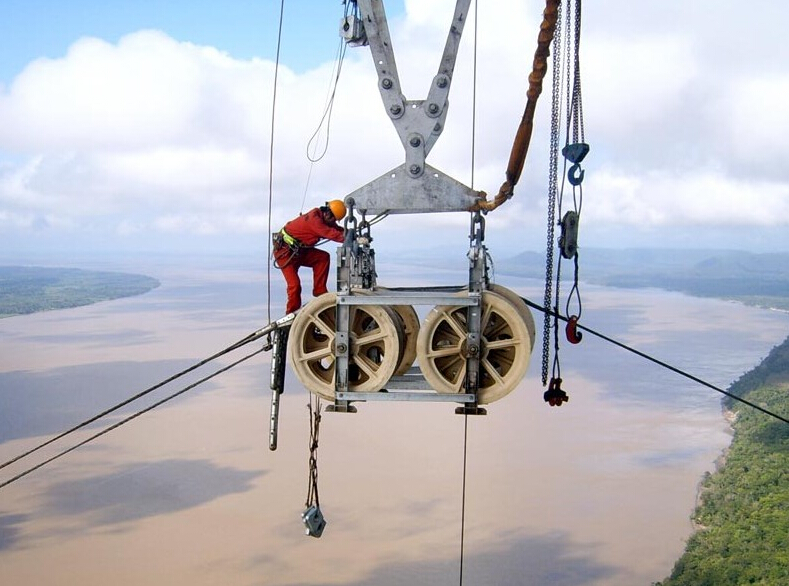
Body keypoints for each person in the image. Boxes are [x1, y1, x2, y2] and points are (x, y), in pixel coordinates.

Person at [274, 200, 347, 314]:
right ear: (328, 214)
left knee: (322, 258)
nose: (334, 222)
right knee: (294, 285)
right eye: (334, 220)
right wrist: (350, 238)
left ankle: (319, 290)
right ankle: (291, 315)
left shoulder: (323, 218)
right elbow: (331, 233)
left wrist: (352, 232)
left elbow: (336, 229)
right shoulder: (315, 220)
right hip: (285, 253)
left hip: (299, 251)